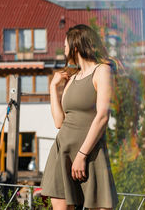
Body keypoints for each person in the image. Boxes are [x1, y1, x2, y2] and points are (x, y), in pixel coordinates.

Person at [40, 24, 119, 210]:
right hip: (63, 153)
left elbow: (102, 116)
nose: (64, 49)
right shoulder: (73, 78)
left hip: (90, 154)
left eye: (66, 45)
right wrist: (53, 88)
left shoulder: (102, 71)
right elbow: (59, 122)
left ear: (76, 46)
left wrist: (82, 155)